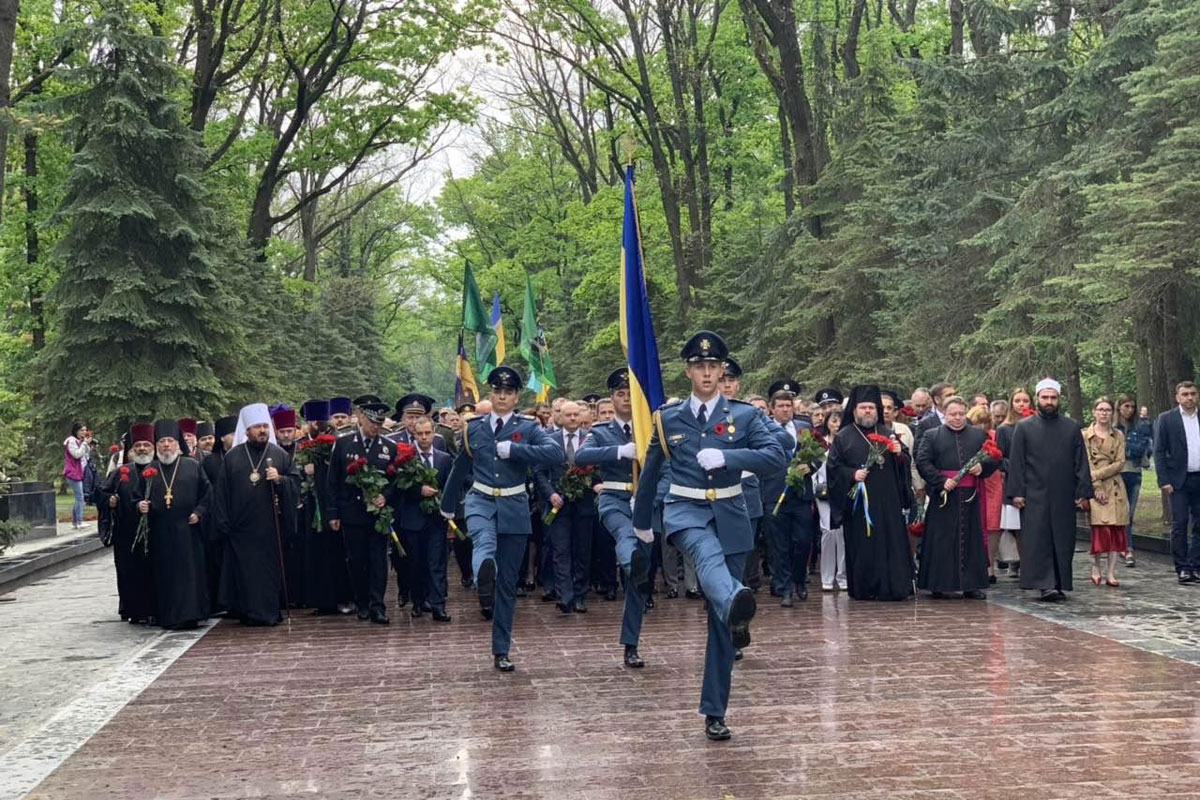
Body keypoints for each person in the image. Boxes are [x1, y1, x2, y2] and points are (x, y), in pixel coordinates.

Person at [633, 331, 787, 741]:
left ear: (722, 372)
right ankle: (736, 598)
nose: (706, 372)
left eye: (713, 366)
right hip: (685, 511)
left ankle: (714, 709)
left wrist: (729, 456)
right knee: (705, 558)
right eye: (699, 366)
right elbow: (650, 470)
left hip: (732, 515)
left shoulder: (747, 417)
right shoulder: (669, 418)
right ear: (688, 371)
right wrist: (642, 520)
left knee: (720, 623)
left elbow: (777, 458)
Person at [440, 366, 562, 672]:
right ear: (490, 394)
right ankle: (484, 574)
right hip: (480, 498)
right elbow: (459, 467)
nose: (502, 396)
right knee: (483, 541)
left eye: (508, 392)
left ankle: (501, 649)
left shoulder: (530, 427)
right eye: (497, 391)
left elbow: (556, 454)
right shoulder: (473, 428)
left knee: (508, 586)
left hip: (515, 504)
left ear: (516, 396)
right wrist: (447, 504)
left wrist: (517, 450)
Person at [576, 367, 655, 668]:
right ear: (611, 397)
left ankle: (631, 644)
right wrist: (620, 451)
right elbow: (580, 457)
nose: (625, 398)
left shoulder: (648, 428)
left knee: (636, 582)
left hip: (645, 501)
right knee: (625, 536)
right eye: (620, 393)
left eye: (629, 393)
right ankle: (629, 561)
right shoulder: (600, 431)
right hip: (613, 498)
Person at [213, 403, 301, 625]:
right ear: (247, 430)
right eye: (257, 427)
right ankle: (248, 613)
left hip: (270, 526)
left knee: (268, 574)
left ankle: (270, 613)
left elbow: (296, 483)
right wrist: (223, 523)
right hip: (240, 528)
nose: (262, 431)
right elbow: (221, 492)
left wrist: (280, 479)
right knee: (245, 574)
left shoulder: (279, 454)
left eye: (265, 426)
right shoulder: (232, 458)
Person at [1006, 379, 1093, 601]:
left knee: (1063, 539)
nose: (1049, 402)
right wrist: (1016, 492)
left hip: (1063, 493)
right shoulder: (1024, 427)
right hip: (1034, 494)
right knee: (1037, 539)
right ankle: (1044, 583)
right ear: (1038, 399)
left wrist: (1083, 491)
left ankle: (1059, 582)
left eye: (1053, 398)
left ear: (1059, 399)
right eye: (1045, 397)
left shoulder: (1071, 426)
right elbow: (1017, 462)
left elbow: (1080, 461)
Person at [827, 385, 914, 601]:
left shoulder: (887, 433)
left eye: (872, 408)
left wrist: (899, 454)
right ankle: (865, 588)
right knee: (863, 543)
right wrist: (852, 474)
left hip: (888, 502)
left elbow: (905, 461)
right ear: (854, 410)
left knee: (891, 542)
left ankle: (894, 587)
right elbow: (833, 469)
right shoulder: (844, 436)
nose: (868, 411)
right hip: (859, 504)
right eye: (863, 407)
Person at [915, 397, 998, 599]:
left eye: (961, 414)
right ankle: (938, 583)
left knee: (971, 539)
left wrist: (982, 467)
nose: (958, 418)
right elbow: (923, 462)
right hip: (944, 496)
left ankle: (972, 584)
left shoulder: (978, 435)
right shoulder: (932, 435)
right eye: (953, 414)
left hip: (970, 496)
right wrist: (940, 480)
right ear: (945, 414)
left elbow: (995, 458)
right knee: (941, 540)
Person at [326, 401, 399, 624]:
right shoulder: (344, 443)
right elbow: (333, 481)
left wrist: (386, 495)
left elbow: (395, 480)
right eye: (371, 422)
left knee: (378, 560)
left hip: (377, 514)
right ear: (360, 417)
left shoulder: (389, 447)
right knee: (356, 560)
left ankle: (378, 605)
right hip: (352, 512)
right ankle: (362, 602)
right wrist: (333, 513)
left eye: (379, 423)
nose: (375, 427)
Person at [141, 420, 211, 629]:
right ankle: (168, 616)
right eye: (162, 441)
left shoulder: (192, 466)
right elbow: (138, 496)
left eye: (170, 441)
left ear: (177, 444)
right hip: (161, 531)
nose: (166, 445)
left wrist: (199, 513)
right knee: (165, 574)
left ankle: (191, 614)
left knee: (189, 574)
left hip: (187, 531)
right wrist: (141, 505)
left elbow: (207, 494)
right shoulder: (150, 469)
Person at [536, 400, 596, 614]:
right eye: (567, 415)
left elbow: (598, 469)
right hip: (558, 505)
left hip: (584, 504)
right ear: (559, 417)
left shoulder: (591, 440)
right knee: (560, 551)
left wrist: (594, 483)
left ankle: (580, 595)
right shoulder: (549, 441)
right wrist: (550, 493)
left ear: (581, 417)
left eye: (575, 415)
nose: (572, 418)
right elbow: (539, 471)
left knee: (582, 551)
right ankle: (565, 596)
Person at [397, 416, 453, 622]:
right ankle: (418, 602)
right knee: (415, 562)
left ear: (434, 432)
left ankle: (438, 605)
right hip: (413, 519)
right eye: (419, 434)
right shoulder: (406, 458)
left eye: (427, 433)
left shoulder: (443, 458)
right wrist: (418, 490)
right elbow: (399, 486)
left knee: (436, 562)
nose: (423, 437)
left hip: (436, 520)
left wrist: (448, 510)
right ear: (414, 434)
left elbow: (450, 486)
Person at [764, 378, 815, 605]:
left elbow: (819, 455)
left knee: (803, 541)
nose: (786, 410)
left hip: (801, 494)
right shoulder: (763, 430)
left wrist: (811, 467)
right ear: (772, 409)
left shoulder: (804, 428)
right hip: (774, 494)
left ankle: (799, 580)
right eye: (781, 406)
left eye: (789, 406)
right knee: (779, 545)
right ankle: (784, 588)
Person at [100, 423, 157, 624]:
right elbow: (102, 494)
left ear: (153, 447)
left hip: (156, 534)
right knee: (129, 573)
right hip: (127, 534)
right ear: (132, 449)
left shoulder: (162, 470)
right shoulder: (121, 472)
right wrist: (110, 501)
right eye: (138, 445)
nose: (142, 448)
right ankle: (134, 610)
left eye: (146, 445)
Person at [1155, 381, 1200, 584]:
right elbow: (1159, 451)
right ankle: (1182, 567)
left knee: (1199, 524)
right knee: (1180, 523)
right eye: (1185, 394)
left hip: (1198, 477)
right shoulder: (1167, 419)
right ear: (1177, 397)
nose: (1189, 397)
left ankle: (1196, 565)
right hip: (1178, 480)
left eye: (1192, 393)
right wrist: (1164, 480)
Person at [1084, 397, 1128, 588]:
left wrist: (1097, 474)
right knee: (1100, 530)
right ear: (1094, 412)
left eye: (1108, 410)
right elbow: (1084, 461)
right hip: (1094, 487)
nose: (1104, 413)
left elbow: (1119, 462)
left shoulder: (1118, 435)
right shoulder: (1084, 435)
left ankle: (1111, 571)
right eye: (1100, 409)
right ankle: (1095, 566)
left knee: (1116, 530)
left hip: (1115, 486)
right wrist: (1096, 485)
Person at [995, 387, 1032, 579]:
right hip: (1014, 480)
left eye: (1025, 401)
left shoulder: (1035, 425)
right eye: (1018, 401)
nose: (1022, 404)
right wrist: (1016, 467)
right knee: (1016, 526)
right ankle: (1019, 563)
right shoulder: (1004, 429)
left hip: (1035, 480)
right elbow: (999, 457)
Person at [966, 405, 1004, 583]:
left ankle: (991, 565)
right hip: (975, 481)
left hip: (993, 482)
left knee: (993, 525)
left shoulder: (995, 436)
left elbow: (1000, 457)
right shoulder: (967, 437)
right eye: (976, 423)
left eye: (984, 422)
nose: (980, 426)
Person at [1115, 394, 1153, 568]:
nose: (1129, 410)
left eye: (1132, 407)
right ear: (1119, 407)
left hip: (1134, 472)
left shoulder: (1141, 426)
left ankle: (1126, 546)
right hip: (1117, 473)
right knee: (1119, 511)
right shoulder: (1113, 427)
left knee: (1129, 512)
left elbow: (1141, 449)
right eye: (1126, 406)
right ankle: (1124, 547)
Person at [815, 408, 845, 591]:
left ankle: (843, 577)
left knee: (842, 534)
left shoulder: (847, 443)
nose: (836, 425)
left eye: (839, 421)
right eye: (833, 421)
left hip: (842, 491)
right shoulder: (820, 444)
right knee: (827, 531)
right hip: (824, 492)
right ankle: (827, 578)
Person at [63, 422, 92, 529]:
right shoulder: (71, 441)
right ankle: (79, 521)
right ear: (76, 431)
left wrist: (87, 444)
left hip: (79, 471)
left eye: (85, 430)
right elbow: (77, 455)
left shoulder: (79, 441)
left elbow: (87, 455)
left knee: (78, 497)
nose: (84, 432)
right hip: (73, 472)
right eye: (82, 430)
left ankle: (75, 522)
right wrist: (84, 444)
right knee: (80, 497)